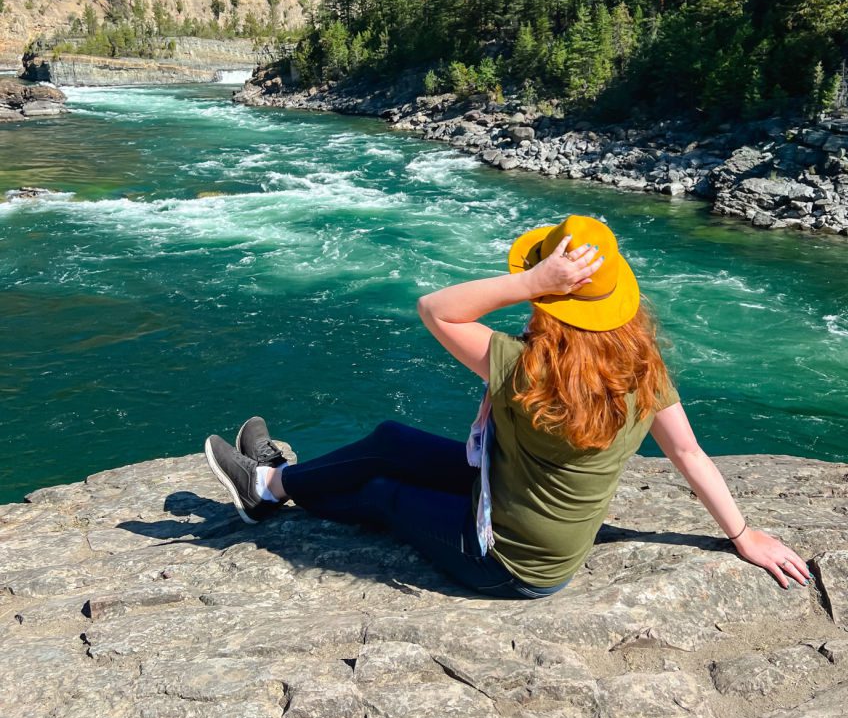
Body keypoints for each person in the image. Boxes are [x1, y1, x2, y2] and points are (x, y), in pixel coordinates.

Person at [203, 213, 813, 600]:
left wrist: (529, 283)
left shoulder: (527, 365)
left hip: (507, 561)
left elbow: (436, 308)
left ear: (552, 297)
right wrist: (740, 533)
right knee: (390, 440)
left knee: (385, 492)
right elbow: (688, 452)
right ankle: (271, 483)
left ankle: (268, 492)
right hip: (506, 493)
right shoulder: (641, 367)